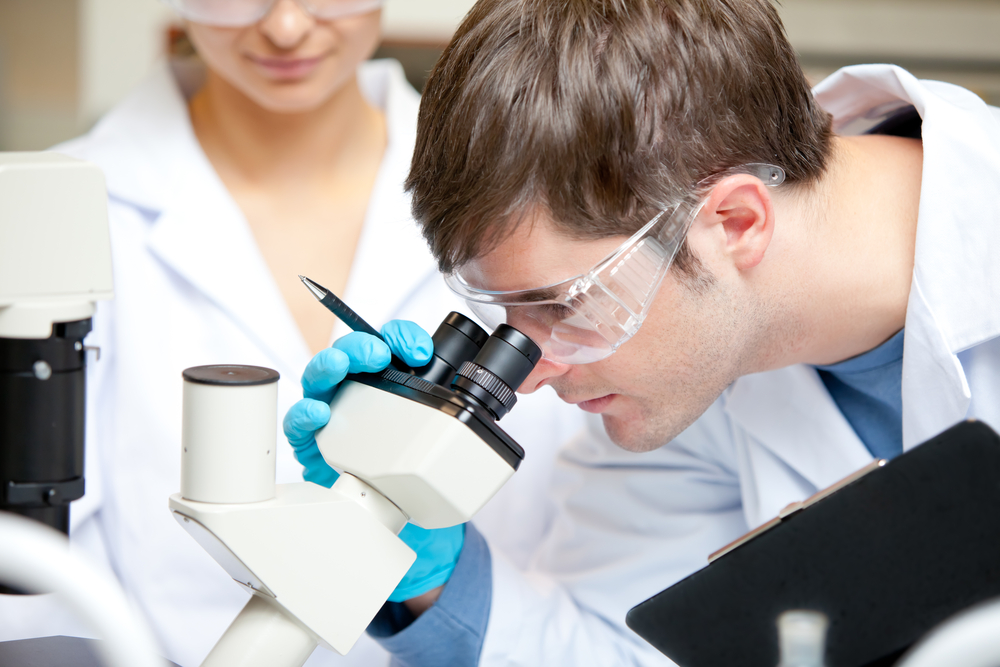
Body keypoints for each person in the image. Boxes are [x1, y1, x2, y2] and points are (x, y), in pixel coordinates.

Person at [284, 0, 1000, 664]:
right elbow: (618, 645)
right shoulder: (688, 372)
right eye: (508, 317)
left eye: (564, 304)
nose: (531, 372)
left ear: (735, 222)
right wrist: (428, 575)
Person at [0, 1, 583, 666]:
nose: (284, 26)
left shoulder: (531, 192)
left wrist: (438, 582)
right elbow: (35, 580)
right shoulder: (51, 209)